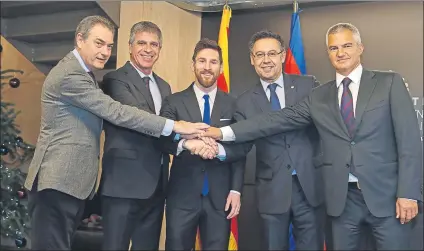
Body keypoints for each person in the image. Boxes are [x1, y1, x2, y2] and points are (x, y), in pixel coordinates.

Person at [203, 23, 422, 250]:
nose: (341, 53)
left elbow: (410, 143)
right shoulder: (320, 95)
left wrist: (408, 193)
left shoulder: (389, 83)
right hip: (341, 202)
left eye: (347, 46)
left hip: (386, 198)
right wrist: (222, 132)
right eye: (334, 48)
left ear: (360, 48)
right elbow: (276, 120)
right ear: (328, 52)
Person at [24, 15, 208, 250]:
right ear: (80, 40)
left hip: (73, 184)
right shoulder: (72, 75)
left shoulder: (86, 74)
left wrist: (185, 142)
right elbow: (118, 112)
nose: (104, 51)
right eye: (98, 43)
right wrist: (177, 126)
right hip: (57, 181)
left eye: (109, 46)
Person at [221, 30, 324, 250]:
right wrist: (216, 149)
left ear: (283, 55)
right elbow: (240, 147)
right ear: (252, 59)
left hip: (310, 188)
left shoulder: (308, 86)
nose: (266, 60)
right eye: (259, 55)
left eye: (271, 53)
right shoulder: (244, 102)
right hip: (272, 191)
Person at [160, 38, 244, 250]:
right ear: (193, 65)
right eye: (202, 61)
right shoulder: (174, 101)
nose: (207, 67)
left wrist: (236, 190)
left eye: (213, 62)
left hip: (221, 198)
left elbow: (242, 147)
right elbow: (162, 140)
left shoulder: (235, 104)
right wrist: (187, 144)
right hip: (182, 196)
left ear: (221, 67)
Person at [99, 21, 171, 250]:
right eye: (142, 43)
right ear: (130, 46)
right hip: (123, 185)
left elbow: (167, 132)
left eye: (154, 44)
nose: (148, 49)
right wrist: (181, 128)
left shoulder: (165, 86)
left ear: (160, 49)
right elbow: (137, 116)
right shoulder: (115, 79)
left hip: (157, 185)